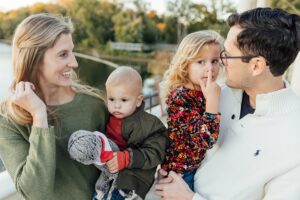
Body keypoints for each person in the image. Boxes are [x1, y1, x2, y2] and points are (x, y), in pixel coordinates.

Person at [155, 7, 300, 200]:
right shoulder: (217, 95)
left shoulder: (294, 142)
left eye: (227, 55)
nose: (221, 63)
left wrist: (189, 198)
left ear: (256, 66)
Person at [0, 13, 109, 200]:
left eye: (72, 52)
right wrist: (39, 116)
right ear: (34, 59)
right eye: (63, 54)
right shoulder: (8, 117)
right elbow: (35, 193)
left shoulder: (94, 106)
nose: (74, 63)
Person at [160, 30, 223, 190]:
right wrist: (213, 103)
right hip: (180, 173)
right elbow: (205, 140)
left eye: (215, 61)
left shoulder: (203, 91)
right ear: (185, 65)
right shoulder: (180, 98)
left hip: (198, 167)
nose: (210, 68)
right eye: (201, 62)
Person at [102, 66, 167, 199]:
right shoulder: (108, 116)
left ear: (138, 100)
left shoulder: (149, 124)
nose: (116, 105)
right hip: (108, 174)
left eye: (124, 100)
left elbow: (156, 153)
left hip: (131, 180)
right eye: (111, 99)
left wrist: (127, 158)